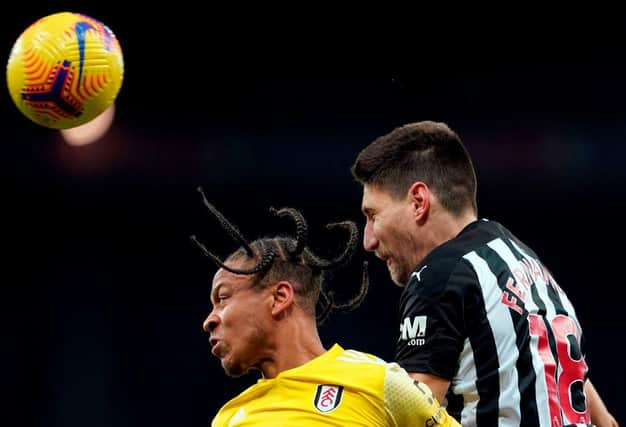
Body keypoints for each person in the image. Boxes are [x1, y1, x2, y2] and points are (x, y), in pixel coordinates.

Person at [351, 121, 619, 427]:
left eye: (373, 215)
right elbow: (604, 419)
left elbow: (411, 416)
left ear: (418, 202)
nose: (368, 240)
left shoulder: (438, 275)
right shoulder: (525, 262)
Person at [190, 187, 461, 427]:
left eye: (223, 298)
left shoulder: (381, 384)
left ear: (279, 298)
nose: (209, 320)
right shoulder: (229, 418)